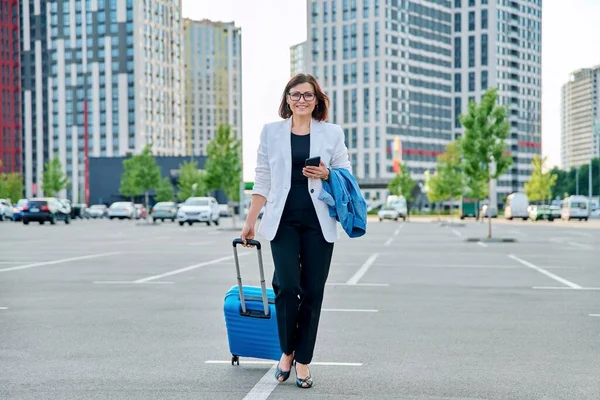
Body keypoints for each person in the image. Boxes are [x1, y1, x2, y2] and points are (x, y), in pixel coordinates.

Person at [240, 73, 353, 389]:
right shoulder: (271, 132)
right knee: (288, 287)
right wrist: (251, 220)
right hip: (283, 220)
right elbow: (263, 178)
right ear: (286, 98)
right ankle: (286, 351)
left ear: (317, 100)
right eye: (295, 94)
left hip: (320, 224)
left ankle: (302, 361)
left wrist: (327, 172)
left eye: (307, 95)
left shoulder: (331, 133)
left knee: (313, 293)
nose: (301, 99)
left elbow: (346, 173)